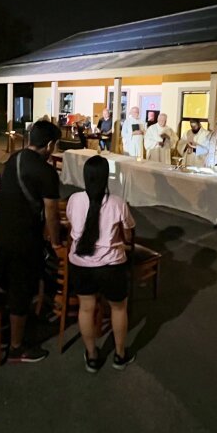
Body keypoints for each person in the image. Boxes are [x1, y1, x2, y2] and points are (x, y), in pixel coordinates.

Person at [0, 120, 62, 363]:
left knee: (9, 284)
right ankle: (16, 347)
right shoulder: (46, 171)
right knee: (20, 291)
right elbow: (52, 213)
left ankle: (10, 325)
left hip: (2, 230)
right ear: (50, 145)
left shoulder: (14, 158)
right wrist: (56, 243)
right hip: (24, 237)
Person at [65, 155, 136, 372]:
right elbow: (128, 234)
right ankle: (120, 354)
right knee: (118, 307)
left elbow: (72, 227)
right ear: (107, 178)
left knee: (86, 309)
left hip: (81, 264)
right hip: (111, 265)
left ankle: (93, 356)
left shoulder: (74, 200)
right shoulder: (117, 203)